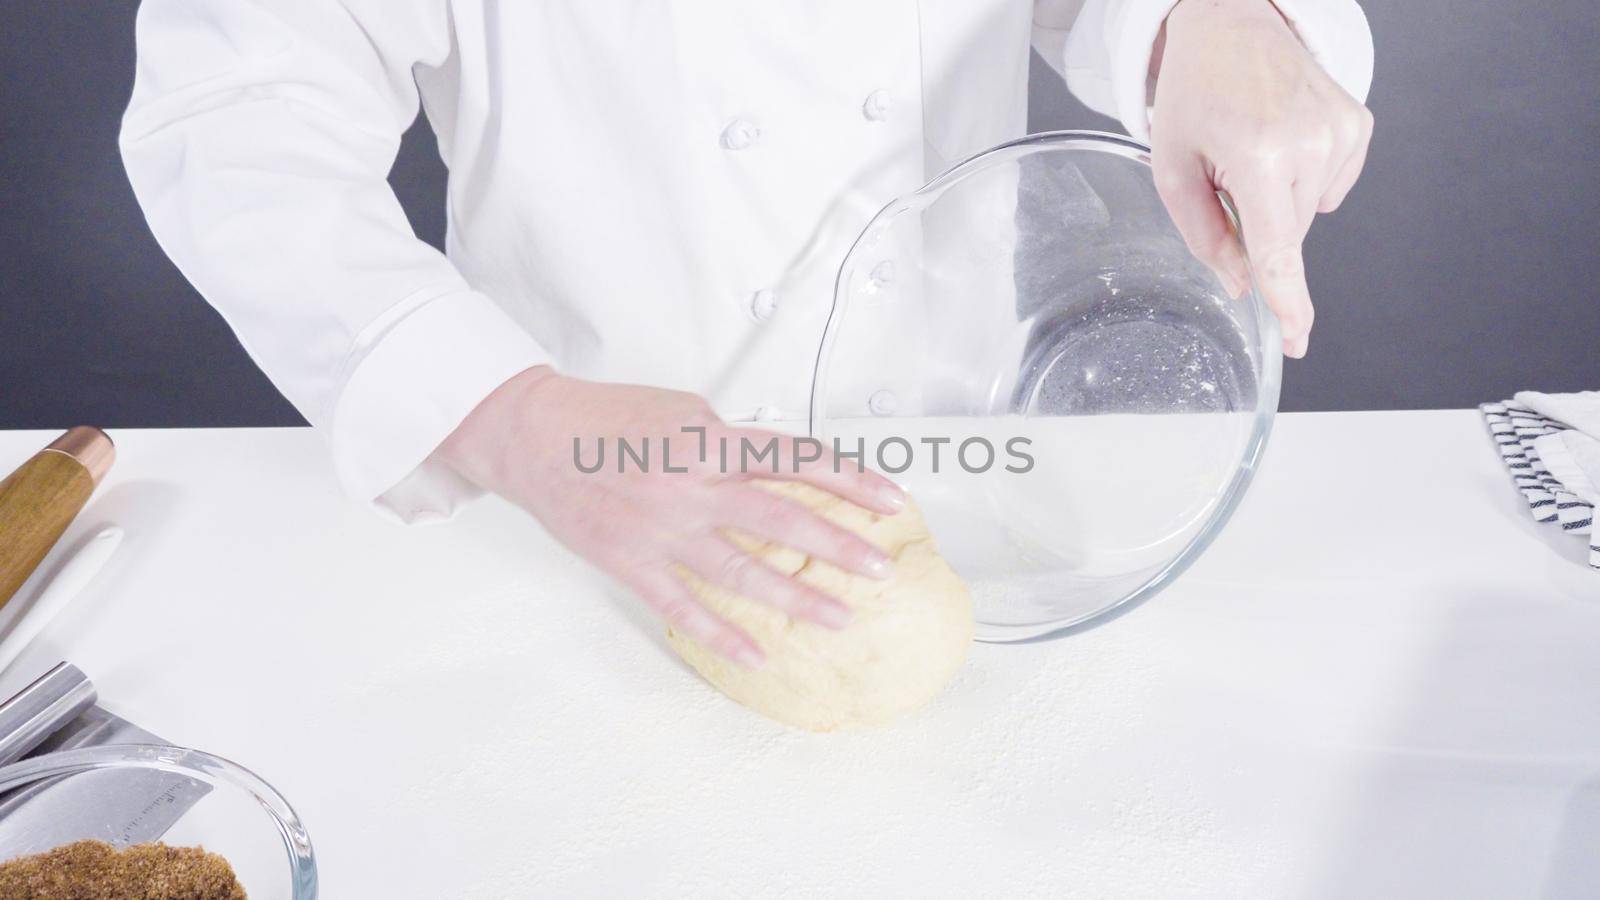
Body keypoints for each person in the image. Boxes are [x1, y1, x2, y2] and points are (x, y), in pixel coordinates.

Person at [121, 0, 1374, 667]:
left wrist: (1226, 18)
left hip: (969, 484)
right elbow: (237, 115)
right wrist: (505, 416)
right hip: (561, 499)